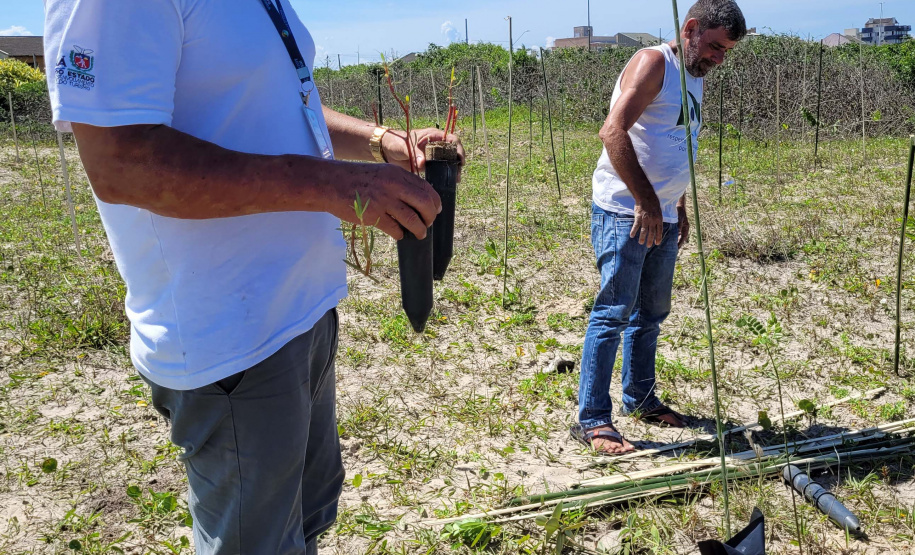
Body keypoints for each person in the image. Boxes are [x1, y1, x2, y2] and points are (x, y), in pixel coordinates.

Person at [43, 0, 462, 552]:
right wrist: (332, 185)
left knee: (303, 525)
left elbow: (284, 103)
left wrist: (378, 141)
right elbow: (120, 163)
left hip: (302, 313)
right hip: (231, 343)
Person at [573, 0, 746, 455]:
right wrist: (648, 203)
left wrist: (678, 205)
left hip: (663, 213)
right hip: (625, 213)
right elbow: (613, 132)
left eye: (725, 52)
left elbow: (676, 143)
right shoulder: (655, 63)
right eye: (714, 47)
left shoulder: (694, 74)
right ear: (689, 29)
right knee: (613, 314)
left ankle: (641, 399)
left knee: (651, 314)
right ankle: (592, 421)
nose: (718, 58)